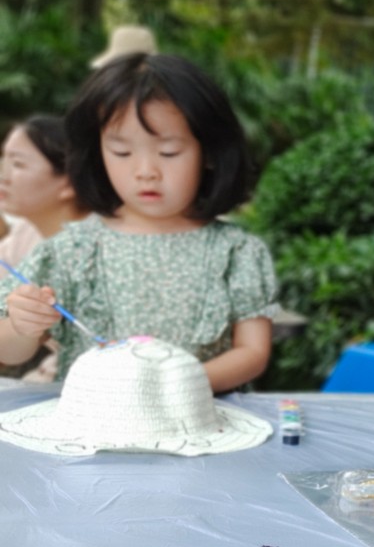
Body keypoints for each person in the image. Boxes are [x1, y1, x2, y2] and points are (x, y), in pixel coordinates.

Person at [0, 54, 278, 393]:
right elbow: (9, 351)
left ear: (209, 152)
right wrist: (23, 325)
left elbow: (252, 352)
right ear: (97, 153)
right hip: (95, 421)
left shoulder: (237, 251)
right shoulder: (70, 251)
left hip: (203, 418)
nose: (146, 171)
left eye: (169, 152)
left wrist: (174, 384)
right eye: (121, 153)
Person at [0, 116, 88, 266]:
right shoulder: (28, 232)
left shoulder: (95, 253)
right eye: (3, 160)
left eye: (18, 164)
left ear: (68, 184)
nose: (3, 177)